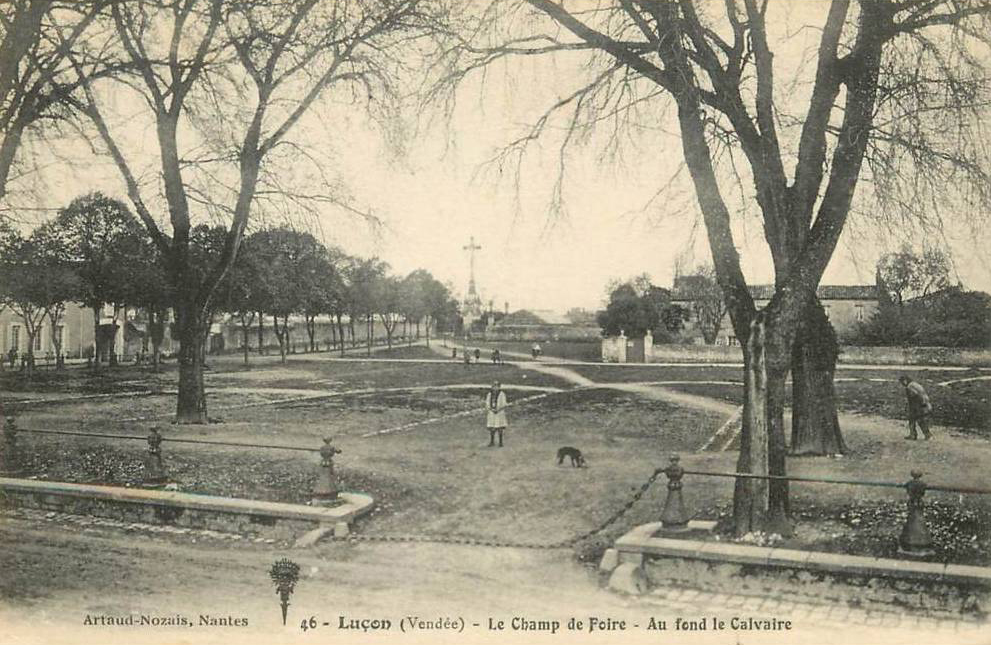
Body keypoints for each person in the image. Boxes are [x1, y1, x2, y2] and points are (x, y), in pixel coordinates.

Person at [899, 375, 933, 440]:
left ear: (905, 381)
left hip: (920, 405)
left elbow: (914, 396)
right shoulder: (916, 384)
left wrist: (913, 408)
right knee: (922, 421)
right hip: (926, 404)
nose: (902, 384)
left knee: (913, 420)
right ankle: (928, 435)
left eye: (902, 382)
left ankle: (913, 435)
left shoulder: (909, 387)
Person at [485, 381, 508, 447]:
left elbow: (504, 403)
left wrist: (498, 409)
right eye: (493, 386)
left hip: (499, 413)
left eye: (496, 386)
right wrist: (491, 409)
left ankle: (500, 442)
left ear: (499, 387)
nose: (495, 388)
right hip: (492, 413)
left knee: (499, 427)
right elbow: (487, 403)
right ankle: (492, 442)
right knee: (492, 427)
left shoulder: (502, 394)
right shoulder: (489, 394)